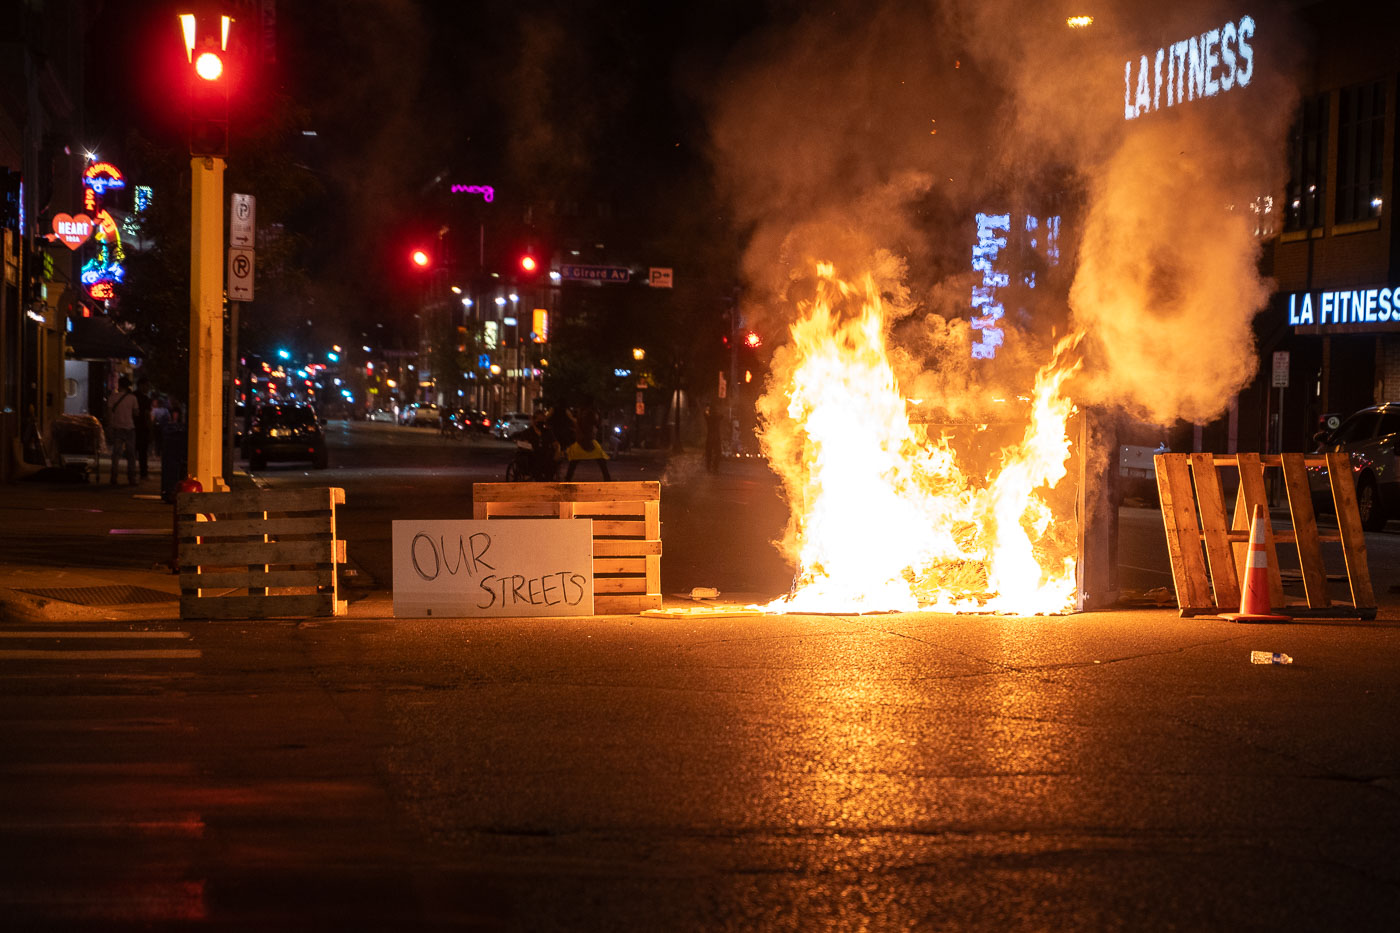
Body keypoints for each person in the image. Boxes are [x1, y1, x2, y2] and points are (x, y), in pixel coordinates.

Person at [564, 395, 611, 480]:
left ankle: (568, 478)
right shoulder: (590, 412)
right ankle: (607, 478)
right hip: (589, 438)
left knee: (574, 460)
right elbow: (594, 424)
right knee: (600, 459)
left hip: (582, 439)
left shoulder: (582, 411)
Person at [105, 375, 140, 485]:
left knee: (116, 454)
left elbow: (109, 413)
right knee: (131, 455)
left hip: (117, 427)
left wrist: (110, 426)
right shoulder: (133, 398)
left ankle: (114, 477)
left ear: (119, 385)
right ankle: (131, 478)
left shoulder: (113, 397)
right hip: (129, 428)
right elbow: (136, 413)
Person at [134, 378, 153, 479]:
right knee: (143, 452)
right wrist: (150, 428)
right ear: (141, 385)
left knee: (133, 451)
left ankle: (132, 473)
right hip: (142, 428)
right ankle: (143, 473)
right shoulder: (145, 400)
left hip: (132, 426)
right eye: (147, 386)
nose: (148, 388)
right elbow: (147, 415)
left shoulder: (132, 396)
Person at [704, 404, 723, 473]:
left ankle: (709, 467)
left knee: (709, 452)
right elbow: (722, 415)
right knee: (717, 452)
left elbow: (705, 414)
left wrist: (707, 409)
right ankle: (715, 467)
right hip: (716, 436)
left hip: (710, 436)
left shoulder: (709, 418)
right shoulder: (717, 417)